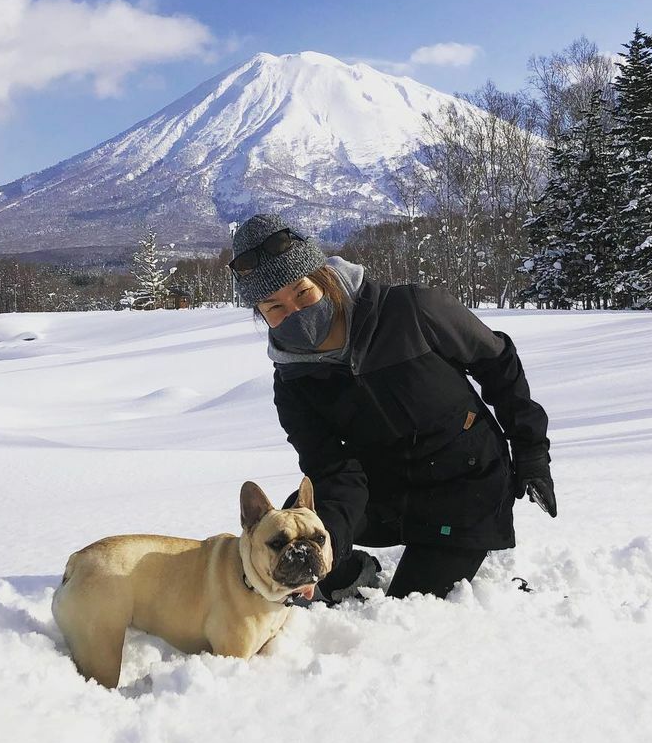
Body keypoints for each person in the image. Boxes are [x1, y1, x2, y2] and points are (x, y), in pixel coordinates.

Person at [229, 213, 555, 603]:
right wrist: (326, 548)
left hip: (466, 487)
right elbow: (332, 470)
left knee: (410, 608)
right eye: (274, 306)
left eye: (302, 292)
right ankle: (350, 571)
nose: (294, 312)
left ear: (325, 279)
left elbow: (498, 364)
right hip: (382, 491)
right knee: (291, 530)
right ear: (261, 315)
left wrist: (531, 452)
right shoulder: (292, 382)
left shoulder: (412, 310)